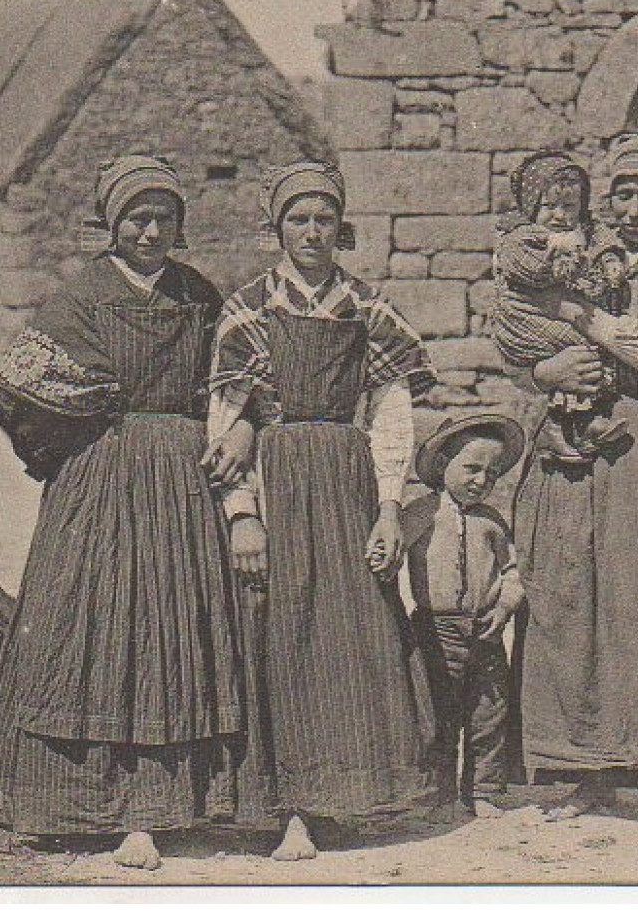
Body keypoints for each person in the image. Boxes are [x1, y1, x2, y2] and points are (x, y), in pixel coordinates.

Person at [0, 155, 267, 871]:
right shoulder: (84, 295)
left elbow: (241, 378)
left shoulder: (199, 295)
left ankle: (176, 805)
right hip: (102, 478)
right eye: (137, 217)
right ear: (111, 223)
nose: (150, 230)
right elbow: (16, 379)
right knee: (95, 627)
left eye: (164, 217)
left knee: (177, 629)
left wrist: (240, 430)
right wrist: (79, 428)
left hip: (185, 479)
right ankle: (85, 803)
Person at [208, 161, 438, 861]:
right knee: (279, 632)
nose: (312, 233)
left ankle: (343, 798)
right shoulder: (247, 307)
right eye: (298, 221)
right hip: (278, 481)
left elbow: (393, 417)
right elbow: (224, 419)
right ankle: (287, 809)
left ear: (342, 227)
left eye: (324, 220)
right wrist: (242, 511)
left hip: (346, 482)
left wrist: (390, 509)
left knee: (351, 635)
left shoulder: (367, 307)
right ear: (277, 229)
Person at [503, 134, 638, 831]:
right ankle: (586, 775)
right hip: (574, 441)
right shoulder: (580, 260)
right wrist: (546, 372)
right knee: (573, 596)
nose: (632, 210)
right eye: (621, 195)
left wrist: (579, 319)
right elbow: (516, 335)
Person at [401, 415, 528, 818]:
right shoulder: (418, 515)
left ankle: (484, 790)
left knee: (488, 711)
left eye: (490, 474)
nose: (480, 480)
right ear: (442, 467)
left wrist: (505, 608)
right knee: (439, 713)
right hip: (434, 630)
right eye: (471, 468)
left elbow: (514, 572)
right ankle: (439, 795)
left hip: (485, 629)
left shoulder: (491, 522)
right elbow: (392, 561)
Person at [490, 150, 631, 463]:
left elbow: (604, 243)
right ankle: (560, 425)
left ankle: (581, 425)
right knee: (580, 352)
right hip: (529, 320)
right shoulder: (523, 235)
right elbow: (522, 267)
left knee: (584, 355)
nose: (559, 216)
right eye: (548, 207)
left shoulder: (586, 230)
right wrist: (557, 264)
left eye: (569, 207)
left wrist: (610, 261)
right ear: (530, 207)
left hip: (567, 316)